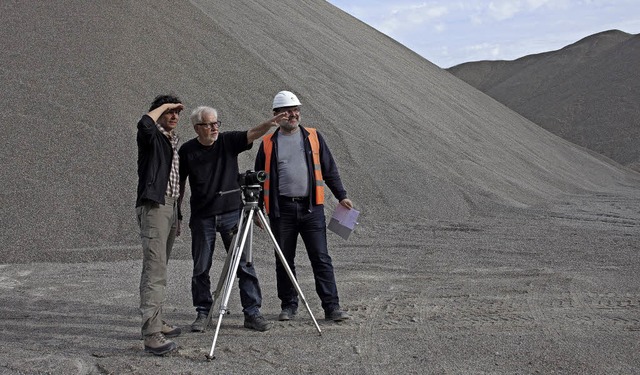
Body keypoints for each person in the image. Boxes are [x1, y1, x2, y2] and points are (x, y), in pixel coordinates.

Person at [178, 106, 289, 332]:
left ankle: (252, 312)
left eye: (216, 123)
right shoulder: (187, 151)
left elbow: (251, 133)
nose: (214, 128)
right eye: (209, 124)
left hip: (232, 214)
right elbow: (179, 184)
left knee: (244, 264)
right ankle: (203, 312)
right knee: (201, 267)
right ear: (197, 128)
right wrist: (176, 214)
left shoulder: (228, 141)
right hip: (203, 218)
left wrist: (269, 124)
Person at [254, 90, 353, 322]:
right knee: (284, 259)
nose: (293, 114)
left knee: (320, 257)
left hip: (312, 209)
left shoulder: (314, 136)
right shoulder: (268, 142)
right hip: (281, 211)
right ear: (276, 115)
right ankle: (288, 305)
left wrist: (341, 195)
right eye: (287, 111)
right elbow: (259, 178)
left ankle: (332, 307)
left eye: (296, 110)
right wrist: (258, 208)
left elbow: (329, 169)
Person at [135, 94, 184, 356]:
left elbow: (177, 182)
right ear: (158, 112)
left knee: (160, 268)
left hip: (170, 206)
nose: (174, 116)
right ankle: (151, 334)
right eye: (169, 111)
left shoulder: (172, 141)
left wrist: (178, 215)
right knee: (154, 269)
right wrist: (161, 107)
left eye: (177, 112)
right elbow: (144, 124)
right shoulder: (151, 137)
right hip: (154, 206)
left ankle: (157, 321)